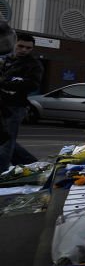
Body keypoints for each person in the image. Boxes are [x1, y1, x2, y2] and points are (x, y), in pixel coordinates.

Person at [0, 33, 44, 172]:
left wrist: (9, 83)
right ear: (14, 44)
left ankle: (2, 174)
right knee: (5, 139)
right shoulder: (6, 60)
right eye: (21, 46)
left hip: (14, 107)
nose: (24, 50)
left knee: (6, 143)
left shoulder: (33, 64)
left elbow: (32, 85)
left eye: (28, 48)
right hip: (2, 104)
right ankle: (32, 165)